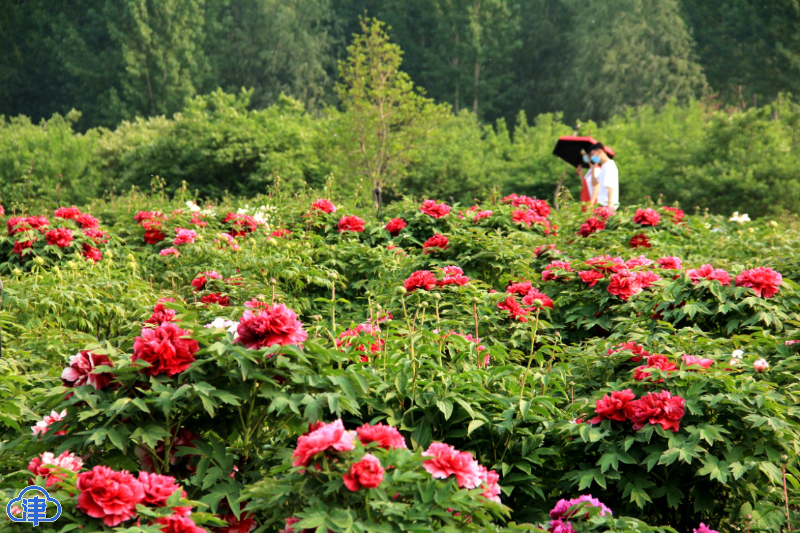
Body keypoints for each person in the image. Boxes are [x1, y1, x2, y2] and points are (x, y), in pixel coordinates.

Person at [588, 142, 619, 208]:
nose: (592, 157)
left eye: (593, 154)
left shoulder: (609, 165)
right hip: (602, 205)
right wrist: (593, 167)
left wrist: (609, 208)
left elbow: (610, 188)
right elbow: (594, 183)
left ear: (599, 151)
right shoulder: (604, 166)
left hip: (607, 206)